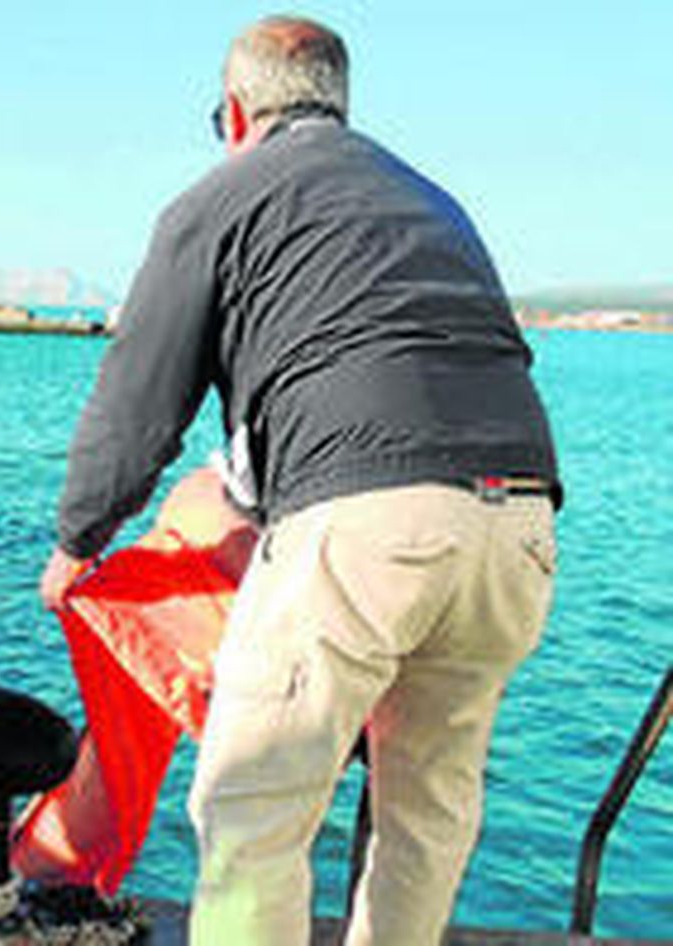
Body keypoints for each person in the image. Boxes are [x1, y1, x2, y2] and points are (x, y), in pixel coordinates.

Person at [38, 16, 559, 946]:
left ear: (236, 113)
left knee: (253, 811)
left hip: (369, 523)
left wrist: (77, 543)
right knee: (425, 820)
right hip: (518, 526)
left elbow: (139, 400)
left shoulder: (222, 197)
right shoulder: (433, 203)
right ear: (339, 105)